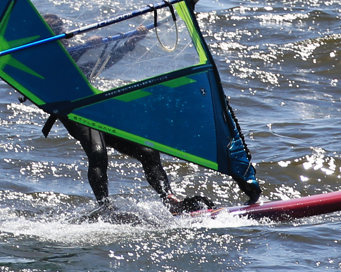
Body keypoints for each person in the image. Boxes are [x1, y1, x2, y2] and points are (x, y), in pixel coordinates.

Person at [42, 14, 216, 218]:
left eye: (63, 30)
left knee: (147, 151)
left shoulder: (69, 57)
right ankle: (104, 207)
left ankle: (169, 200)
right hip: (75, 115)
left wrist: (129, 44)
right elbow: (61, 64)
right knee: (98, 153)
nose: (65, 36)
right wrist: (86, 46)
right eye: (58, 32)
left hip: (95, 111)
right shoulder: (44, 60)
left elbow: (102, 63)